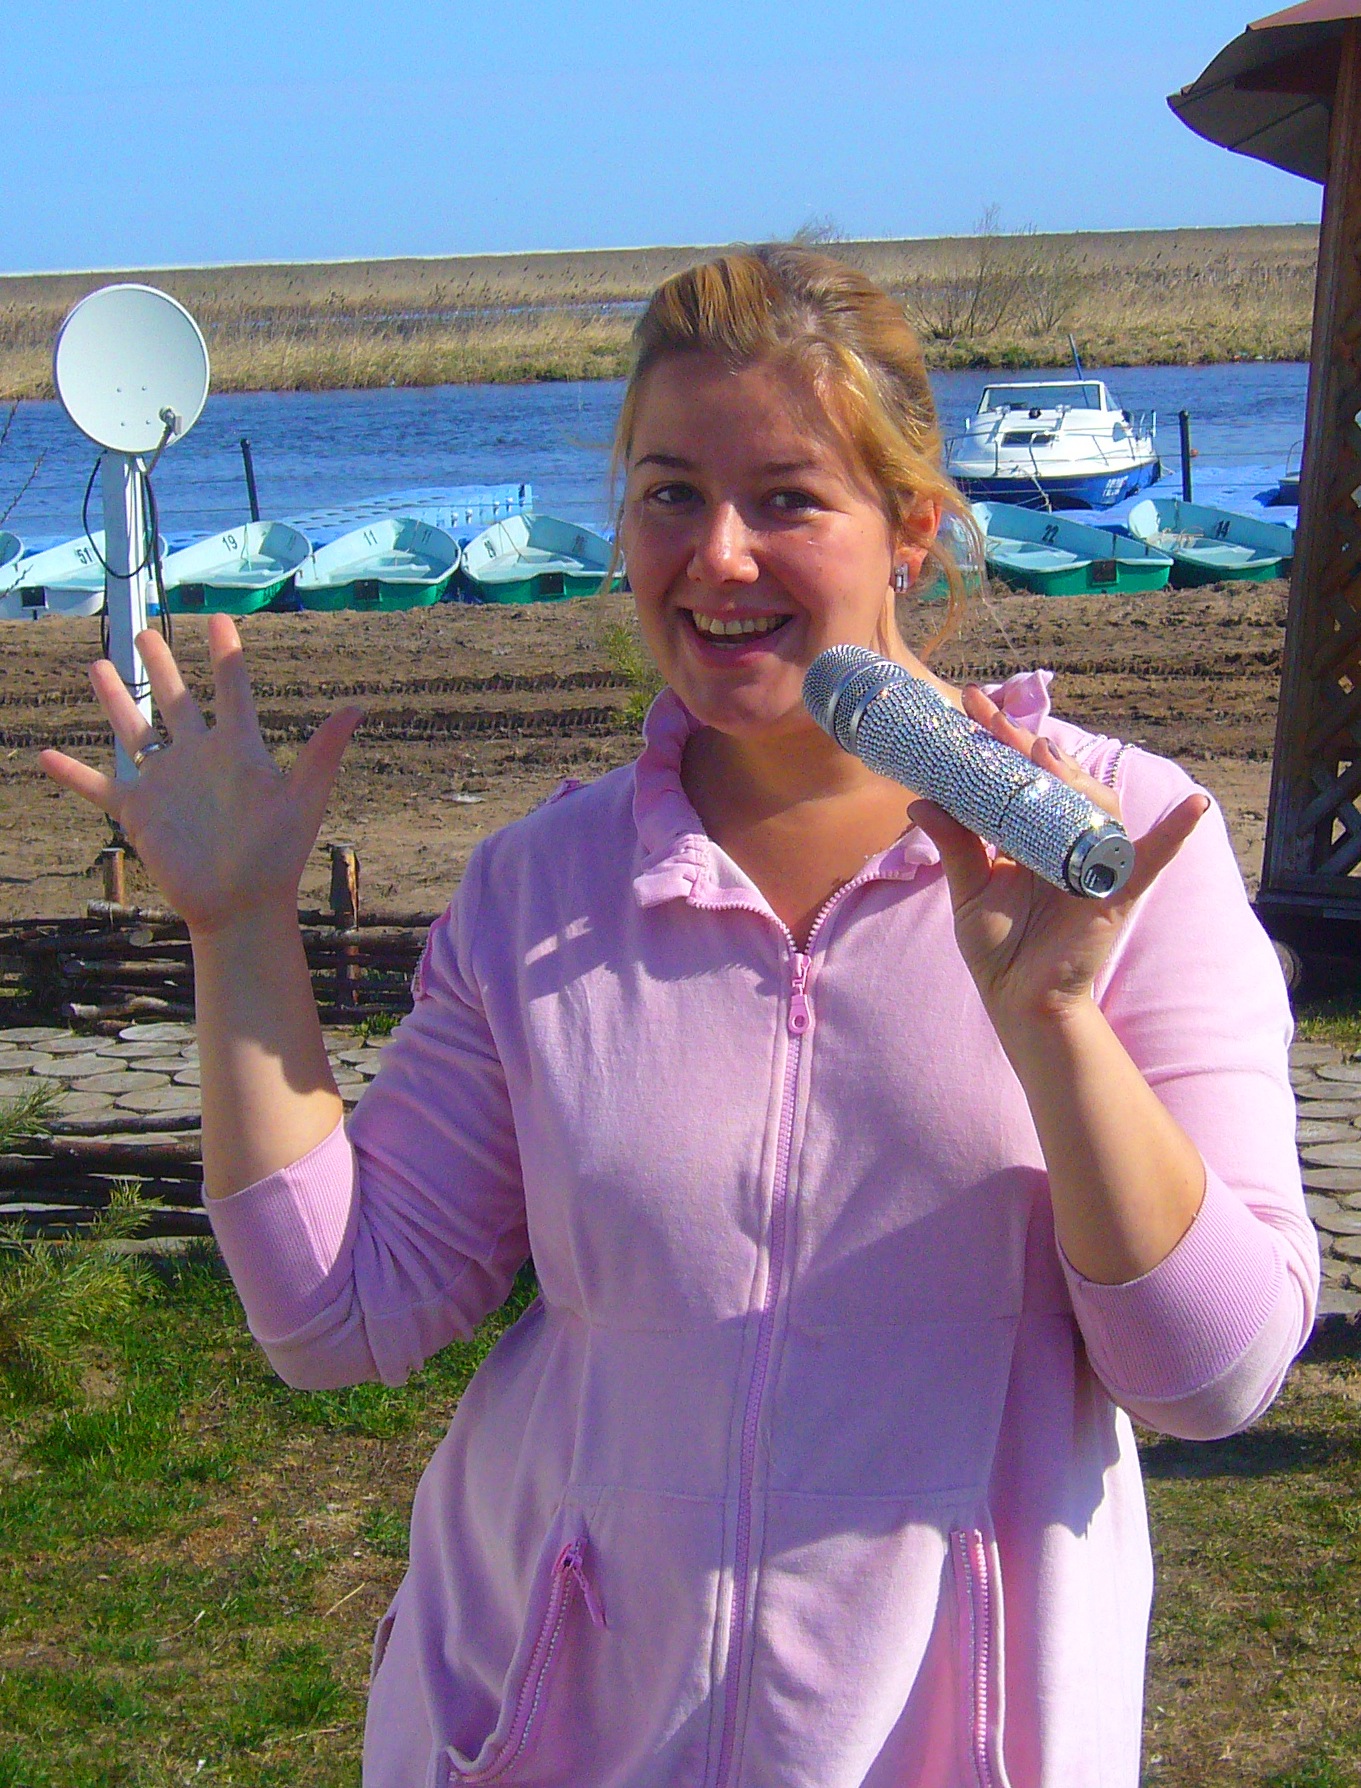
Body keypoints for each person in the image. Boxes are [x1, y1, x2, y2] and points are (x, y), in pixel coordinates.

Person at [41, 246, 1318, 1788]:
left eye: (785, 498)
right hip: (545, 1734)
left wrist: (1056, 1026)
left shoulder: (1121, 847)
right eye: (669, 494)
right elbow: (342, 1315)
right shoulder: (541, 885)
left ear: (911, 529)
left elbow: (1210, 1375)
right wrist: (240, 927)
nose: (717, 556)